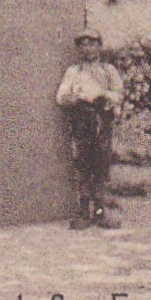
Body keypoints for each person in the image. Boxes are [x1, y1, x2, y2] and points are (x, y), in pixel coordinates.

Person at [55, 27, 124, 229]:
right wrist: (74, 98)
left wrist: (105, 97)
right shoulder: (74, 72)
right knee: (84, 164)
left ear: (99, 46)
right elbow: (61, 97)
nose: (87, 48)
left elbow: (119, 94)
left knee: (101, 165)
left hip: (102, 120)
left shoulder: (108, 71)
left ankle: (100, 211)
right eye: (83, 44)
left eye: (91, 43)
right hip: (82, 121)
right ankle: (84, 212)